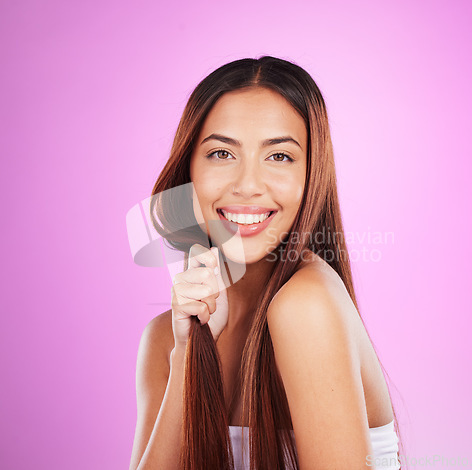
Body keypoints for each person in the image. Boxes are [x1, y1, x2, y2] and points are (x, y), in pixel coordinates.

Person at [129, 56, 403, 470]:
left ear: (312, 175)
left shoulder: (306, 305)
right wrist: (188, 355)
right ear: (189, 171)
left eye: (279, 157)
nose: (248, 185)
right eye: (221, 153)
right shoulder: (165, 341)